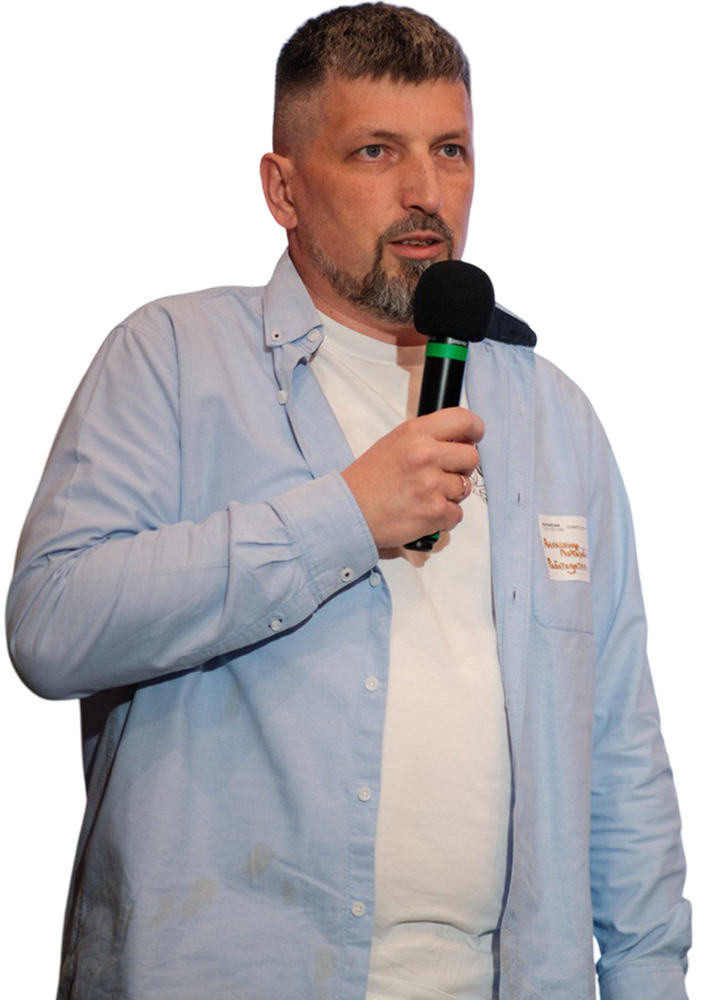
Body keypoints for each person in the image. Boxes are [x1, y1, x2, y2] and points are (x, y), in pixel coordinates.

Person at [4, 4, 691, 999]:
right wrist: (344, 516)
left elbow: (620, 748)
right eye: (376, 151)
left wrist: (648, 979)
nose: (425, 193)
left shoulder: (555, 414)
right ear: (282, 188)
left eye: (450, 151)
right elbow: (51, 628)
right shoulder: (173, 358)